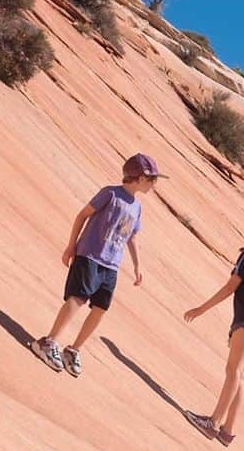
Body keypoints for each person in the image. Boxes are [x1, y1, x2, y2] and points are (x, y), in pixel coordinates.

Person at [32, 154, 166, 377]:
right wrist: (71, 245)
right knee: (78, 298)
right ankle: (47, 342)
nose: (154, 184)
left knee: (101, 308)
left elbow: (131, 236)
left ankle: (73, 349)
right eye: (153, 179)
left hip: (111, 264)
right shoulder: (111, 193)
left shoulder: (137, 207)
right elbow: (82, 215)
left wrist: (137, 266)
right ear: (141, 178)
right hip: (90, 255)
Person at [183, 222, 244, 447]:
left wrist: (200, 309)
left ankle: (213, 423)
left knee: (233, 371)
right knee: (239, 373)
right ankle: (227, 431)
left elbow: (230, 287)